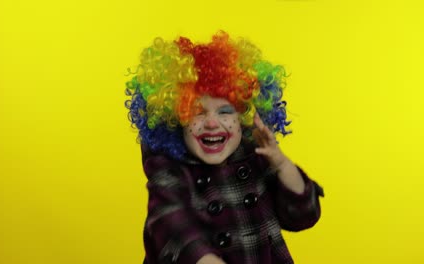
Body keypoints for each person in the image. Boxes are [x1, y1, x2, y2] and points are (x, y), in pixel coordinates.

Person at [125, 31, 324, 264]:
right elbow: (169, 224)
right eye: (197, 112)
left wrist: (280, 163)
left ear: (243, 118)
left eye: (225, 111)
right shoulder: (169, 166)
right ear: (175, 118)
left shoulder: (254, 155)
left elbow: (303, 216)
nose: (211, 123)